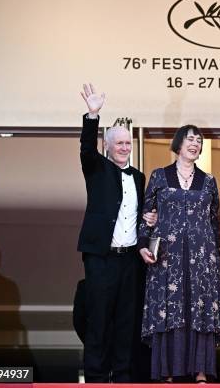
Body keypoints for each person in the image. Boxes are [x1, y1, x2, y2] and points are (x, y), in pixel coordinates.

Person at [77, 83, 155, 382]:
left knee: (127, 322)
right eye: (119, 143)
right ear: (107, 146)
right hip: (101, 258)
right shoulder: (96, 167)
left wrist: (149, 218)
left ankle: (123, 377)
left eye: (127, 143)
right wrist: (92, 115)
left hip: (129, 260)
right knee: (99, 320)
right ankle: (96, 378)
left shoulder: (138, 177)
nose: (124, 147)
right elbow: (86, 148)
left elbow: (135, 215)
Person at [137, 125, 220, 383]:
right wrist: (144, 245)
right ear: (178, 144)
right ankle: (167, 371)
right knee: (171, 308)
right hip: (167, 257)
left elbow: (213, 223)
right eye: (190, 139)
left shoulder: (208, 180)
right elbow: (146, 217)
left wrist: (215, 262)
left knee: (198, 309)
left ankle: (200, 372)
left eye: (199, 141)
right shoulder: (159, 176)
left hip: (202, 258)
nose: (195, 144)